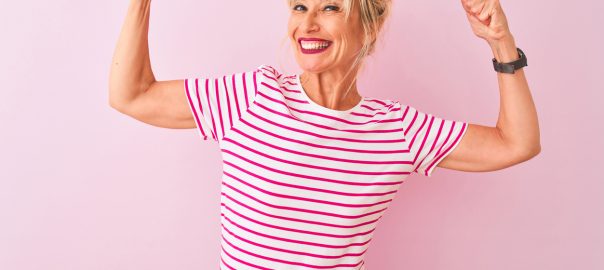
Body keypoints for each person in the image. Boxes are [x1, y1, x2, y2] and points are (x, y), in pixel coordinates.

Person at [108, 0, 541, 269]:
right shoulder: (252, 96)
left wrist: (501, 43)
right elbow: (132, 95)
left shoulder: (397, 130)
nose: (308, 23)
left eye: (330, 7)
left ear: (367, 28)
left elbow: (516, 143)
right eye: (299, 7)